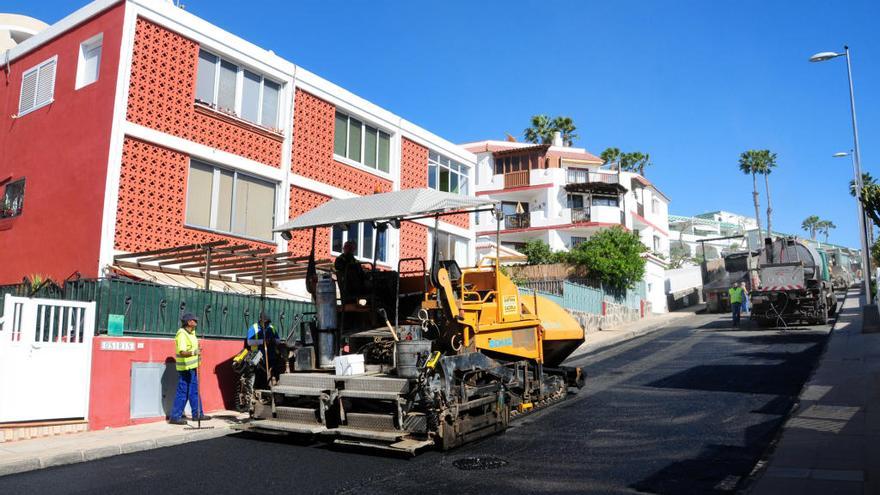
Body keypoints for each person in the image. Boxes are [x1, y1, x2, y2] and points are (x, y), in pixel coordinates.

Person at [169, 313, 211, 425]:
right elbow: (182, 352)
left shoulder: (192, 333)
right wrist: (194, 352)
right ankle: (175, 417)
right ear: (189, 322)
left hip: (192, 367)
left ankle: (197, 414)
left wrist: (197, 350)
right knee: (183, 392)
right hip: (185, 369)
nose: (196, 322)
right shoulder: (182, 334)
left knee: (194, 391)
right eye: (194, 320)